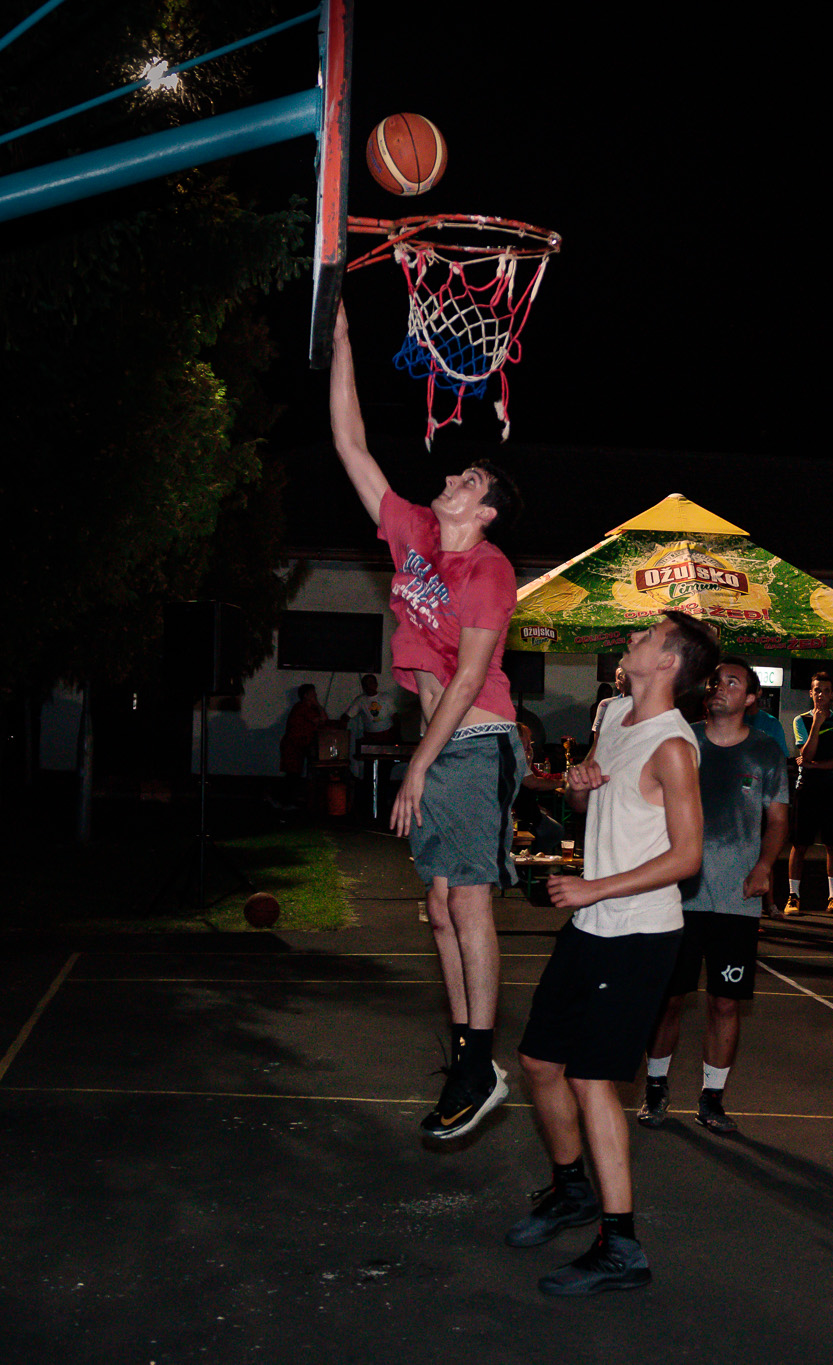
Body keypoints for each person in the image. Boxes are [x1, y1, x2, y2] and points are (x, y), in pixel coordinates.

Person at [328, 303, 524, 1141]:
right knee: (440, 911)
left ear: (486, 511)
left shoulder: (489, 566)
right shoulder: (413, 535)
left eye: (472, 481)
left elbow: (471, 675)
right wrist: (342, 339)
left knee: (467, 902)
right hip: (443, 745)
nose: (456, 478)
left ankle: (480, 1061)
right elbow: (351, 444)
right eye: (461, 473)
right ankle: (469, 1054)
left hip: (476, 741)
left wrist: (415, 764)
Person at [507, 611, 718, 1294]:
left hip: (638, 935)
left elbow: (688, 856)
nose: (632, 639)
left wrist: (594, 885)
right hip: (592, 925)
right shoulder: (615, 714)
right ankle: (572, 1191)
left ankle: (622, 1246)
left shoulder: (674, 746)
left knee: (591, 1079)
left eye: (647, 637)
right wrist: (578, 786)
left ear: (670, 663)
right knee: (540, 1060)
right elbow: (591, 807)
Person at [638, 657, 789, 1136]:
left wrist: (764, 866)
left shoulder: (766, 751)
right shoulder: (682, 741)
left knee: (725, 1003)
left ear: (751, 698)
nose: (720, 687)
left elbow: (778, 820)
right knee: (668, 999)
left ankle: (712, 1098)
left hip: (735, 900)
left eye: (733, 682)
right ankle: (655, 1089)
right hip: (677, 895)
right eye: (716, 680)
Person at [786, 673, 833, 914]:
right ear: (811, 693)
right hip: (806, 789)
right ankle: (793, 896)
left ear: (832, 695)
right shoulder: (800, 720)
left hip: (832, 790)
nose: (821, 694)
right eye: (817, 690)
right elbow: (807, 753)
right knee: (799, 844)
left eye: (826, 690)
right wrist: (816, 723)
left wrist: (814, 765)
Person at [271, 683, 325, 811]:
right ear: (306, 695)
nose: (315, 695)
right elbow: (320, 719)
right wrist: (318, 705)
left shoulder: (309, 709)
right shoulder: (301, 707)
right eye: (312, 693)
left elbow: (324, 719)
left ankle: (284, 800)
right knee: (292, 774)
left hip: (299, 746)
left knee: (294, 774)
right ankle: (280, 799)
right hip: (293, 745)